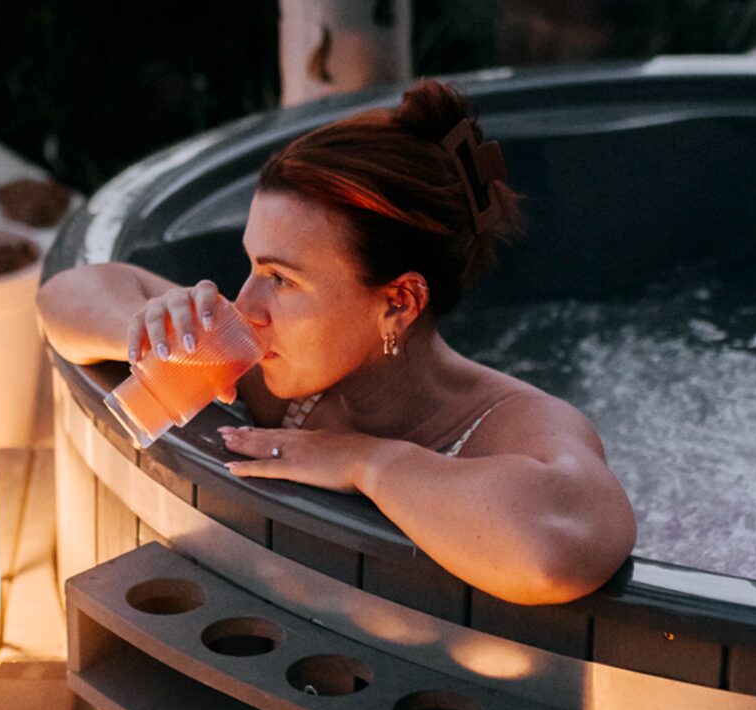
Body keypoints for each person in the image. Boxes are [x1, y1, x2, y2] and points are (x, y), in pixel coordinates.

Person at [39, 78, 636, 606]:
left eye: (281, 279)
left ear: (398, 302)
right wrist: (144, 328)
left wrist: (366, 460)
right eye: (251, 266)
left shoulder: (520, 423)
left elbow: (551, 557)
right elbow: (66, 296)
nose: (245, 305)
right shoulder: (273, 367)